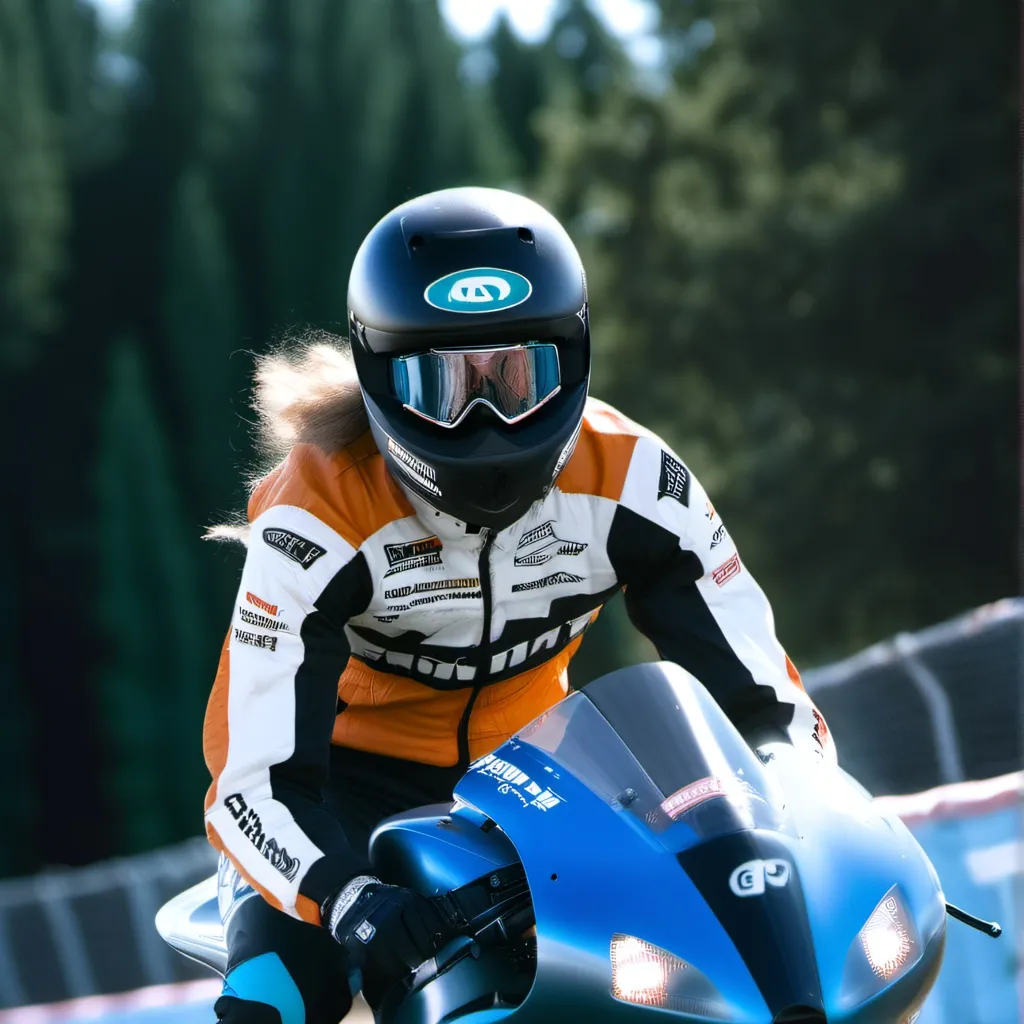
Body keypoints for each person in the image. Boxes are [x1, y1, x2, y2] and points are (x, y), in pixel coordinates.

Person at [204, 187, 836, 1024]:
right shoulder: (314, 518)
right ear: (380, 378)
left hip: (540, 781)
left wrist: (804, 813)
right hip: (338, 797)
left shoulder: (637, 480)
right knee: (274, 1002)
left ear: (572, 359)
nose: (487, 421)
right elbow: (253, 782)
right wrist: (349, 896)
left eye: (515, 377)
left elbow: (765, 703)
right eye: (445, 385)